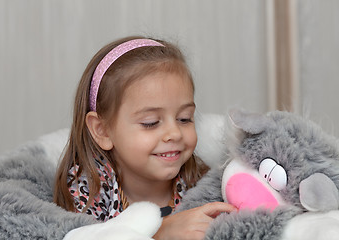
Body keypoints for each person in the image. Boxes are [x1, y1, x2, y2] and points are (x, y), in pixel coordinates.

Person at [53, 36, 236, 239]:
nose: (174, 133)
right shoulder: (87, 191)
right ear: (102, 130)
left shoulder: (200, 184)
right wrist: (161, 231)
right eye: (150, 122)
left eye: (184, 119)